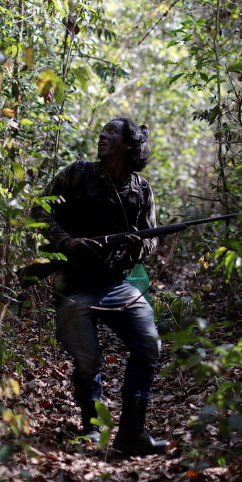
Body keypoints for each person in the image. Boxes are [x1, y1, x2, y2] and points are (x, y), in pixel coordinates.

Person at [30, 117, 170, 455]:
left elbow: (151, 238)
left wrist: (140, 247)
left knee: (149, 344)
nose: (102, 135)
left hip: (117, 284)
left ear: (128, 144)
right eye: (102, 130)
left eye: (111, 132)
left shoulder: (141, 188)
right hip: (74, 284)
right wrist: (66, 242)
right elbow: (38, 210)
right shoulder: (77, 173)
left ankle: (131, 432)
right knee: (88, 360)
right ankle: (93, 427)